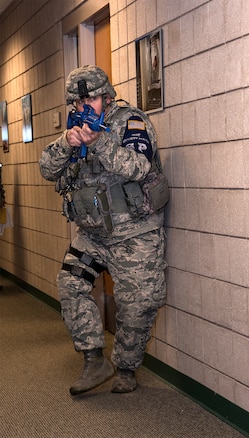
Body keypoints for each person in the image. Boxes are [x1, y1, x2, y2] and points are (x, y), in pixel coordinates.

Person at [39, 65, 169, 396]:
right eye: (76, 102)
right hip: (94, 235)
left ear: (106, 96)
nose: (82, 107)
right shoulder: (76, 128)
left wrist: (98, 143)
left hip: (134, 233)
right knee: (69, 284)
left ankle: (126, 367)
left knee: (137, 303)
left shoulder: (131, 122)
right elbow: (46, 169)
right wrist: (68, 142)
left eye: (89, 99)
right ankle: (94, 359)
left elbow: (140, 166)